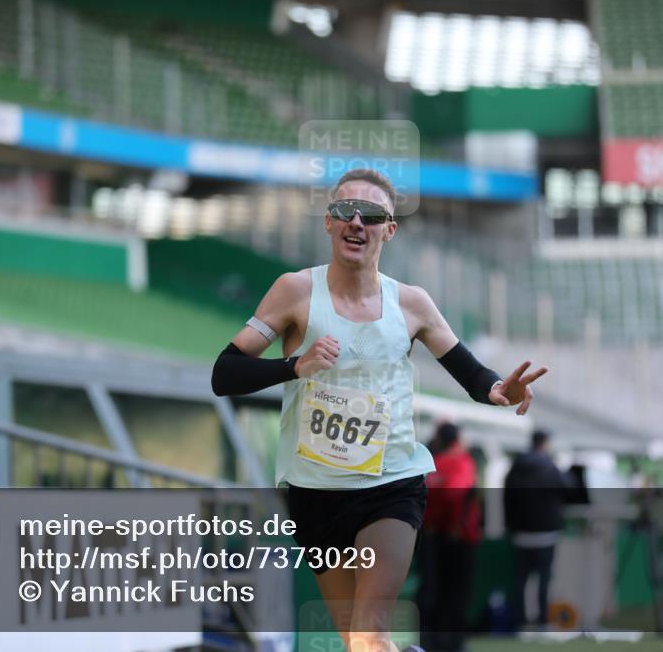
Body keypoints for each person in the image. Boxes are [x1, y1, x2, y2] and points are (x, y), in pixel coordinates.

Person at [211, 168, 547, 652]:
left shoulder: (411, 304)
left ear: (389, 229)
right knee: (358, 644)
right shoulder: (295, 292)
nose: (356, 223)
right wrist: (294, 365)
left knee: (371, 635)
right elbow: (225, 373)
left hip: (389, 484)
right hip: (314, 492)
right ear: (328, 222)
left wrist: (501, 389)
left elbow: (474, 376)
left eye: (371, 215)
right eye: (345, 211)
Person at [416, 422, 482, 652]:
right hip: (459, 538)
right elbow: (457, 496)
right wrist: (455, 526)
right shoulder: (463, 462)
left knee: (435, 591)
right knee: (456, 593)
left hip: (434, 537)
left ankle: (431, 642)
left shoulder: (435, 464)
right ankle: (452, 644)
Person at [503, 429, 573, 631]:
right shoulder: (550, 467)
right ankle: (543, 622)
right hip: (546, 533)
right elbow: (567, 490)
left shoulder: (516, 468)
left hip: (520, 534)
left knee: (520, 580)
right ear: (545, 444)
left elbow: (506, 498)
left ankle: (519, 623)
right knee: (544, 579)